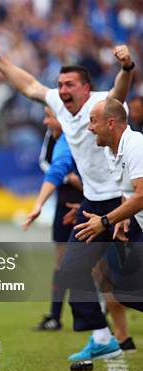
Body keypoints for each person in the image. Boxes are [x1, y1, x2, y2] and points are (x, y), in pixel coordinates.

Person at [0, 37, 135, 360]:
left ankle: (111, 332)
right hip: (92, 201)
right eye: (60, 84)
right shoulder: (59, 104)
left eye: (69, 85)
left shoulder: (102, 103)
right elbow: (28, 85)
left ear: (86, 88)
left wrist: (126, 67)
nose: (62, 90)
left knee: (127, 285)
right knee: (71, 270)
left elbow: (120, 92)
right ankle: (102, 337)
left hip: (123, 202)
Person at [75, 98, 143, 311]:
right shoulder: (110, 151)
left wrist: (105, 221)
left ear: (111, 123)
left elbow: (141, 195)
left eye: (93, 121)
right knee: (128, 292)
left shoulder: (136, 146)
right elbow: (128, 190)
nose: (89, 128)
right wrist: (123, 215)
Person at [23, 107, 83, 331]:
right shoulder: (52, 137)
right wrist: (68, 177)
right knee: (61, 259)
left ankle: (103, 316)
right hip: (64, 201)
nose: (45, 121)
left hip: (90, 201)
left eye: (49, 116)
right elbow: (45, 163)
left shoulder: (82, 132)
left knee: (97, 262)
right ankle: (55, 314)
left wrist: (83, 181)